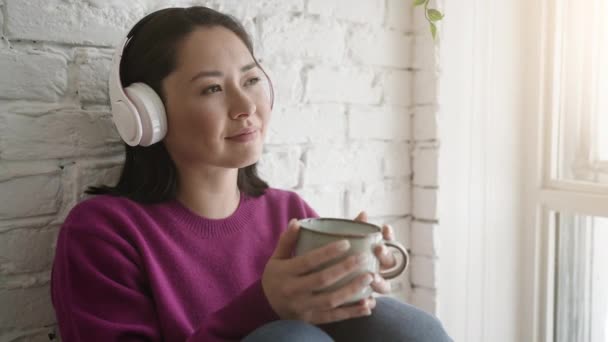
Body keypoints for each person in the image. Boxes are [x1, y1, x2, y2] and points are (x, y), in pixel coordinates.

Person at [50, 6, 452, 342]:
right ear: (146, 113)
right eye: (212, 89)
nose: (245, 105)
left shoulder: (290, 214)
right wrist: (264, 305)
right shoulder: (103, 232)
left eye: (251, 79)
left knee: (407, 325)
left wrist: (352, 287)